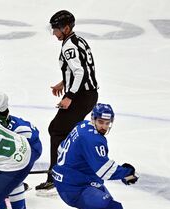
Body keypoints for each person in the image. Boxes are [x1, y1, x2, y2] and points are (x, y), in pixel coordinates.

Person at [51, 103, 139, 209]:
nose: (104, 127)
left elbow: (64, 148)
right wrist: (125, 173)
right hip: (74, 188)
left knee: (105, 200)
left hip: (73, 178)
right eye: (101, 122)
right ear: (94, 119)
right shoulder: (93, 140)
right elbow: (104, 170)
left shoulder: (82, 125)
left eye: (107, 123)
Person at [36, 10, 99, 196]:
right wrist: (64, 82)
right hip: (88, 94)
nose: (54, 33)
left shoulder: (68, 46)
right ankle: (71, 170)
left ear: (66, 28)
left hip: (81, 97)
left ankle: (56, 178)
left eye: (56, 30)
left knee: (57, 130)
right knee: (61, 131)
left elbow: (79, 72)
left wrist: (69, 96)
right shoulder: (78, 40)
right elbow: (81, 69)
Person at [0, 105, 42, 209]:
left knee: (11, 176)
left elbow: (19, 153)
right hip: (15, 148)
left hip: (30, 149)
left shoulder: (21, 129)